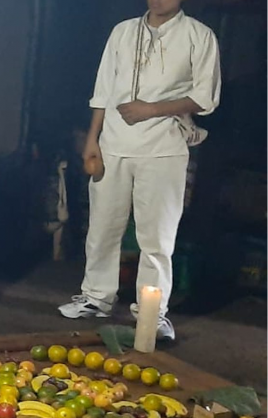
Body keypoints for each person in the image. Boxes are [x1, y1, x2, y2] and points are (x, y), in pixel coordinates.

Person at [59, 0, 220, 341]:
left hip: (164, 146)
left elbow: (205, 96)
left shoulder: (198, 36)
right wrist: (93, 139)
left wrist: (153, 109)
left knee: (157, 236)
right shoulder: (123, 31)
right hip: (113, 143)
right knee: (103, 225)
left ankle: (153, 313)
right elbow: (103, 90)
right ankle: (95, 297)